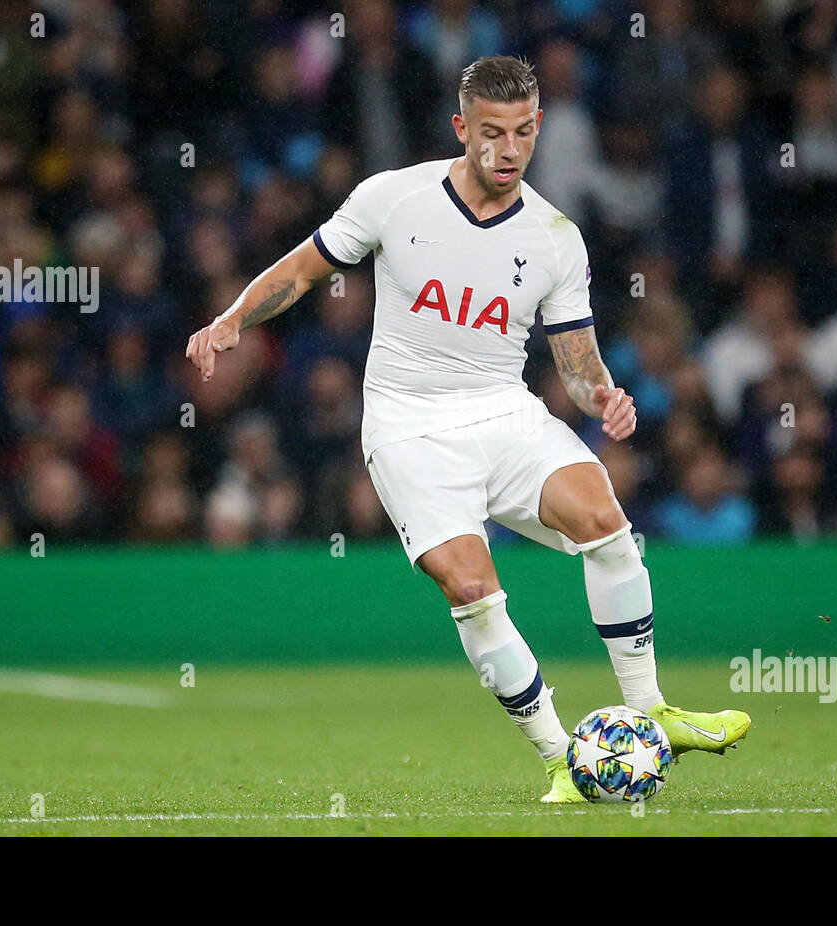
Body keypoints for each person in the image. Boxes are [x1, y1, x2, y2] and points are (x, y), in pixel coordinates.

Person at [186, 56, 751, 803]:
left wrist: (604, 396)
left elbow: (576, 361)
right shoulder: (394, 197)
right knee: (473, 587)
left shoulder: (555, 236)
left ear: (538, 129)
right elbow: (304, 268)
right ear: (462, 129)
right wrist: (232, 320)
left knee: (605, 519)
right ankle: (561, 758)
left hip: (502, 408)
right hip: (408, 427)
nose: (507, 149)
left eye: (521, 132)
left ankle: (652, 710)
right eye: (490, 133)